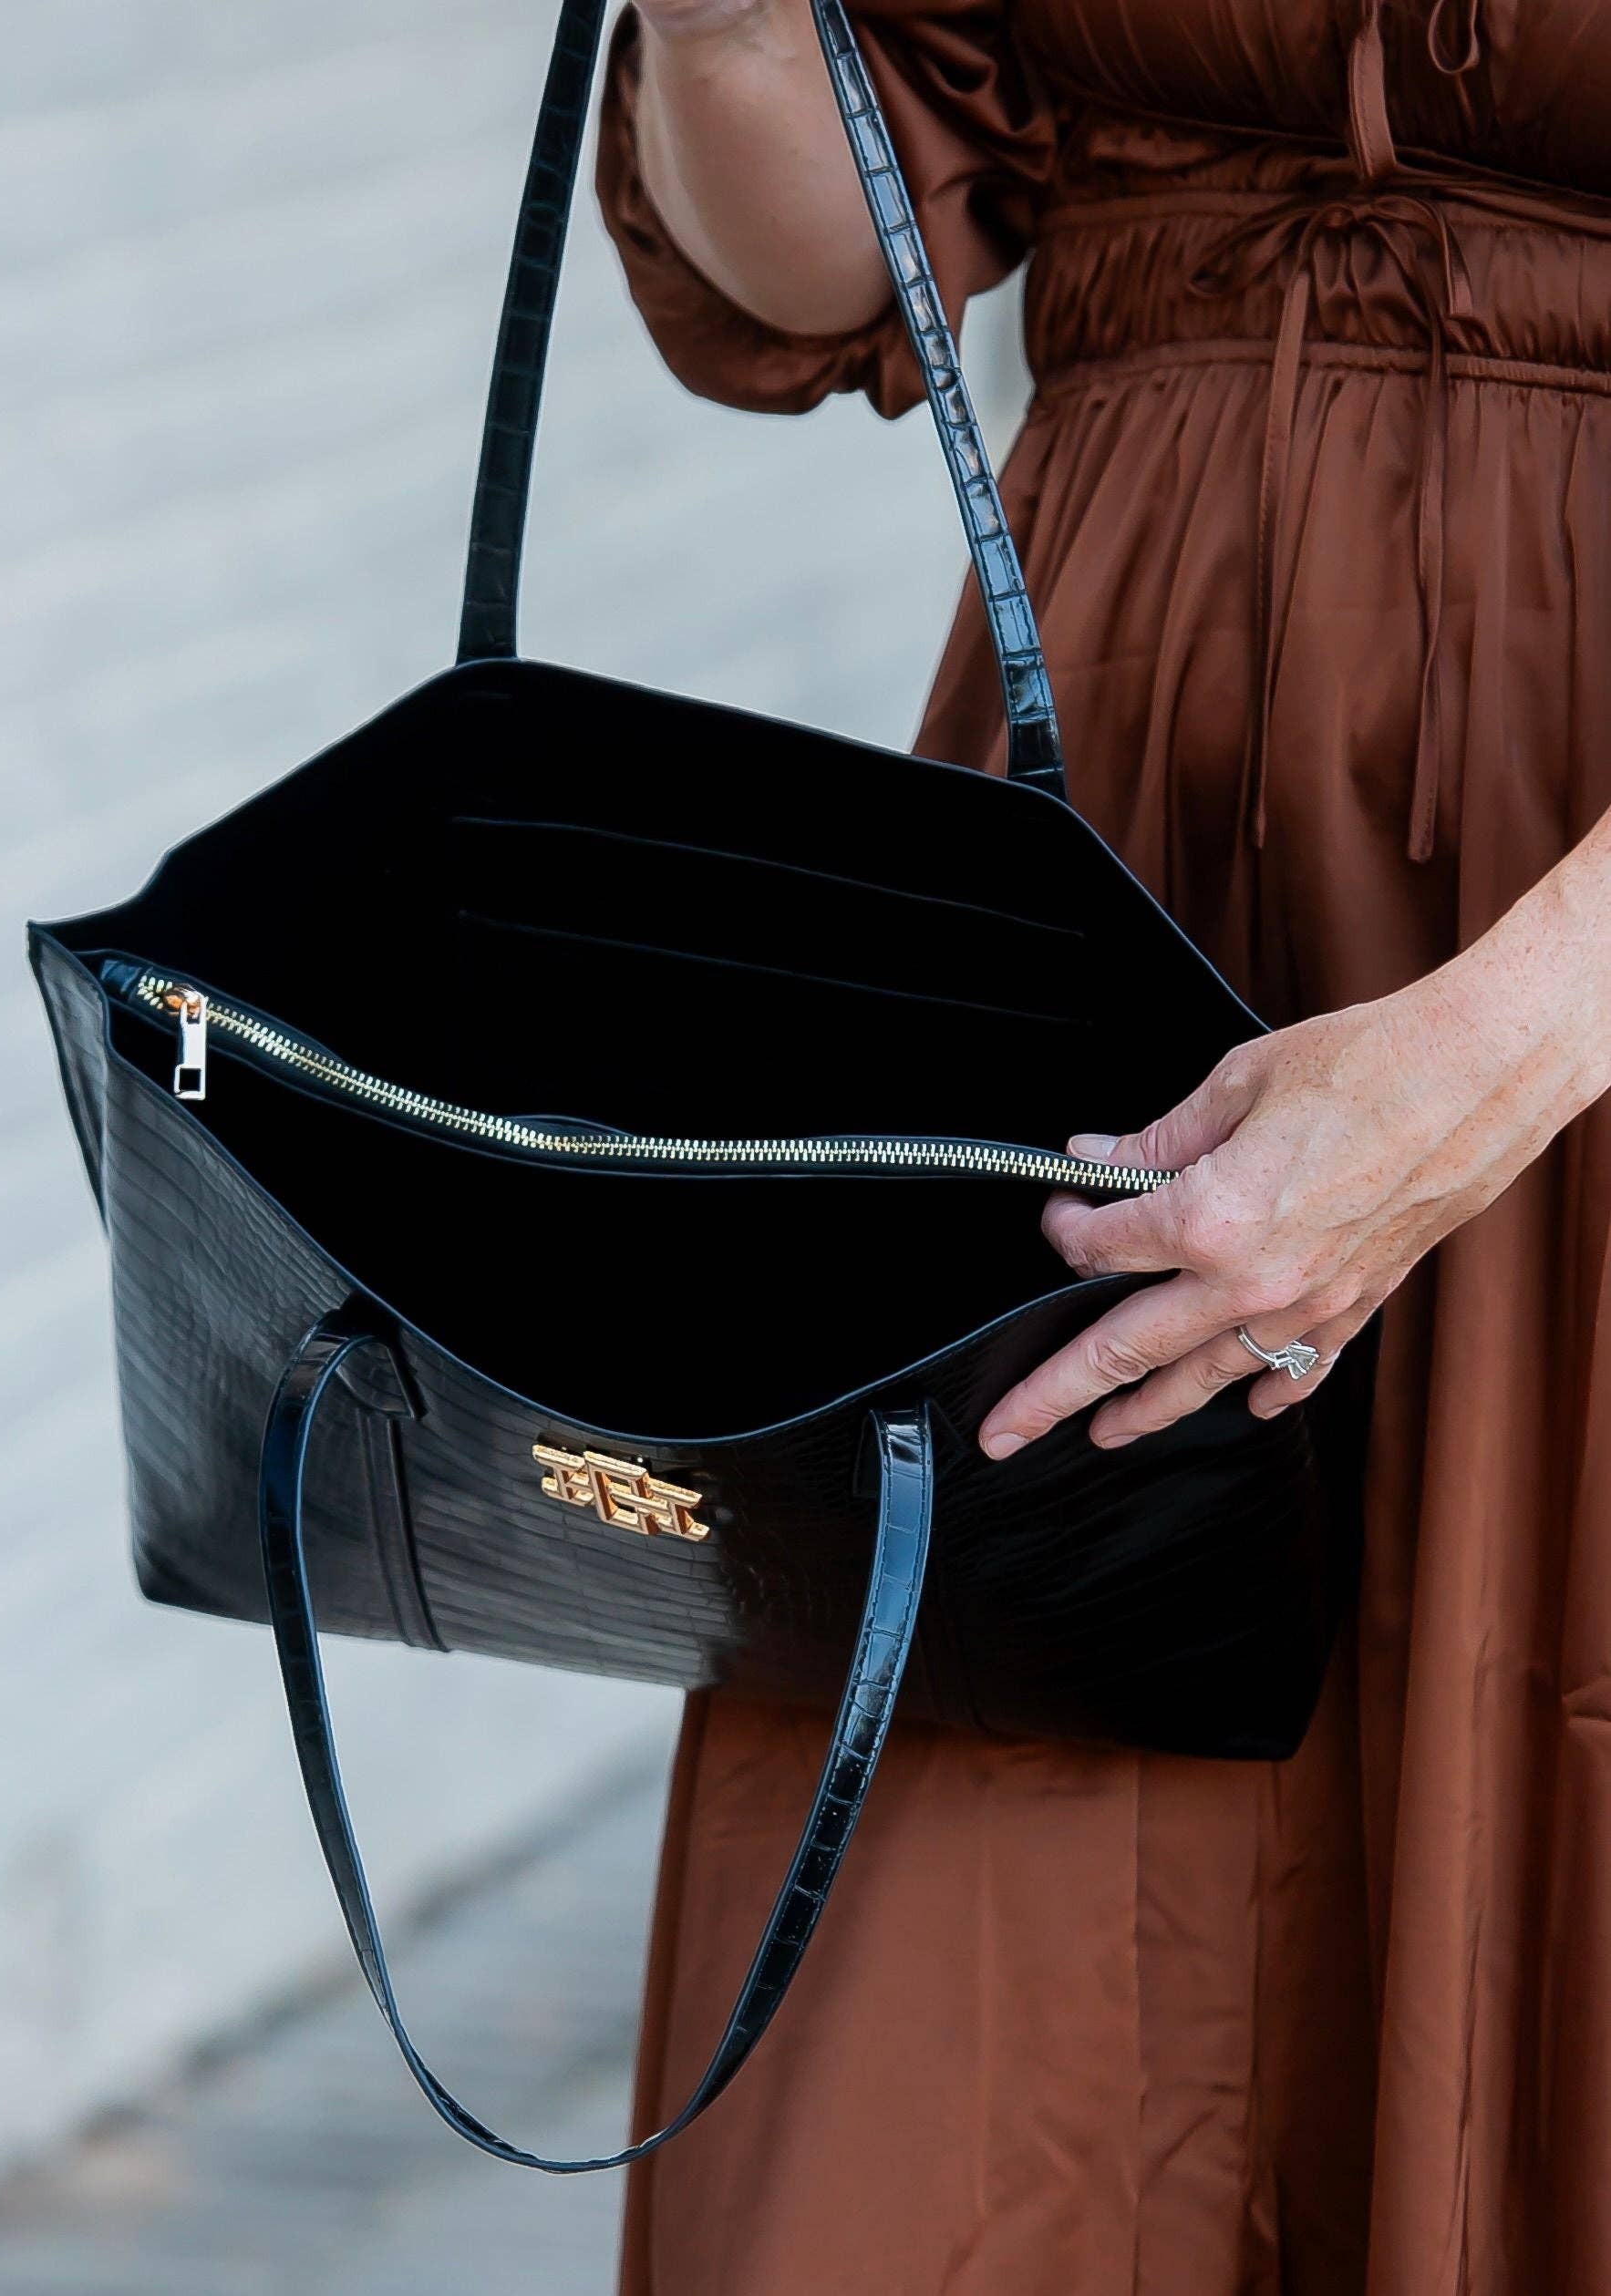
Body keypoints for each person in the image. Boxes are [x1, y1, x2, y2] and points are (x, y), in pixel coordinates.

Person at [592, 5, 1611, 2291]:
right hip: (1097, 887)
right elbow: (824, 248)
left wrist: (1502, 1050)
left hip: (1582, 979)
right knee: (924, 2114)